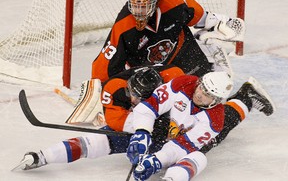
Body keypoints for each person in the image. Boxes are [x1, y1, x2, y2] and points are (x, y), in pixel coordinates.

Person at [16, 69, 274, 180]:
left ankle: (247, 96)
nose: (199, 94)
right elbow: (149, 107)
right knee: (102, 140)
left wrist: (156, 162)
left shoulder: (214, 117)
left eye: (207, 95)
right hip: (164, 128)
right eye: (201, 87)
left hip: (184, 140)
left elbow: (182, 146)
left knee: (201, 153)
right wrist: (141, 134)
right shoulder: (183, 83)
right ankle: (42, 156)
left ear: (215, 100)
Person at [91, 0, 245, 83]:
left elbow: (207, 20)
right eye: (136, 7)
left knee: (207, 94)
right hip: (150, 71)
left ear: (155, 2)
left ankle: (211, 52)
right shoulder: (124, 26)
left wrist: (224, 26)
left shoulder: (175, 3)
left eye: (143, 7)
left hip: (185, 54)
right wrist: (101, 90)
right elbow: (104, 65)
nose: (139, 13)